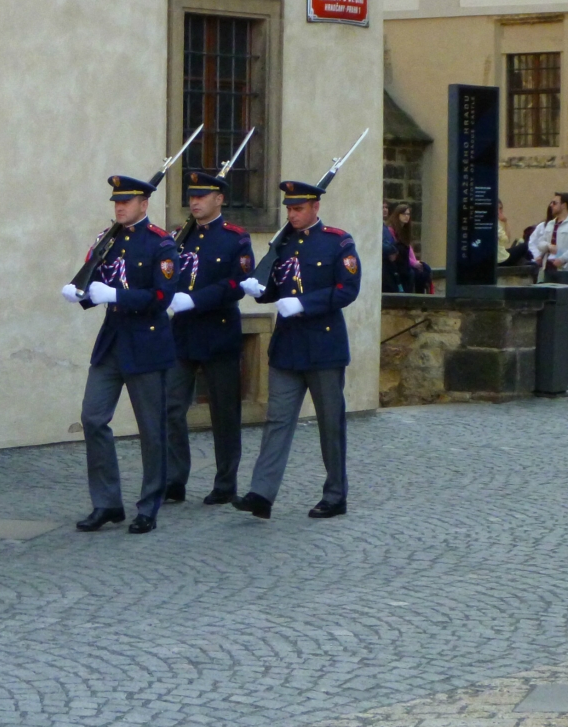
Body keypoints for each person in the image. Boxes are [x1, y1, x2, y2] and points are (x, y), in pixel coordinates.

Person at [235, 179, 360, 520]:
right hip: (287, 348)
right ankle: (262, 493)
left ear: (315, 207)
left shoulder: (338, 242)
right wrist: (259, 290)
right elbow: (276, 288)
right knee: (277, 420)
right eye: (289, 209)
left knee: (330, 423)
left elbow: (348, 289)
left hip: (323, 347)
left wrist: (304, 304)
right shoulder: (284, 243)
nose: (292, 215)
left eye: (299, 208)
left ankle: (335, 495)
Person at [62, 175, 180, 534]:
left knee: (151, 429)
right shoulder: (107, 239)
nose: (119, 207)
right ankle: (107, 502)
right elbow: (93, 279)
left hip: (146, 345)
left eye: (126, 202)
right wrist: (80, 293)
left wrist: (115, 295)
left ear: (144, 205)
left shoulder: (161, 244)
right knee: (93, 417)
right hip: (112, 343)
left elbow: (162, 297)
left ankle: (149, 506)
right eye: (116, 202)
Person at [164, 171, 254, 506]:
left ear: (219, 199)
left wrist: (196, 299)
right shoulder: (179, 236)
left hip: (218, 333)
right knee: (171, 407)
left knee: (224, 413)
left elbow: (238, 283)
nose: (195, 202)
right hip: (182, 335)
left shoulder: (235, 238)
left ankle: (225, 483)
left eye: (202, 196)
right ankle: (174, 479)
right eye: (192, 196)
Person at [532, 192, 568, 279]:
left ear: (564, 205)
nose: (551, 205)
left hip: (566, 270)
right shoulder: (550, 224)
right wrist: (548, 246)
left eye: (554, 203)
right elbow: (540, 243)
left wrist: (562, 259)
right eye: (551, 202)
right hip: (548, 268)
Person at [387, 203, 430, 293]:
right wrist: (413, 263)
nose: (406, 217)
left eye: (408, 214)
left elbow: (408, 248)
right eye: (404, 214)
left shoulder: (405, 230)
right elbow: (398, 250)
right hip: (398, 264)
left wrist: (415, 262)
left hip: (406, 262)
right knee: (413, 274)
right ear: (397, 215)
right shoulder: (391, 230)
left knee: (425, 270)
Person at [496, 199, 530, 266]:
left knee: (514, 248)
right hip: (501, 260)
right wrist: (505, 221)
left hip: (496, 256)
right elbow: (507, 239)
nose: (500, 211)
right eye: (499, 208)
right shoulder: (496, 224)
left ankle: (522, 262)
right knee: (524, 246)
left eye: (501, 208)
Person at [381, 201, 400, 292]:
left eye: (386, 207)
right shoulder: (378, 226)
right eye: (382, 207)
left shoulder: (385, 226)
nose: (385, 210)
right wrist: (393, 250)